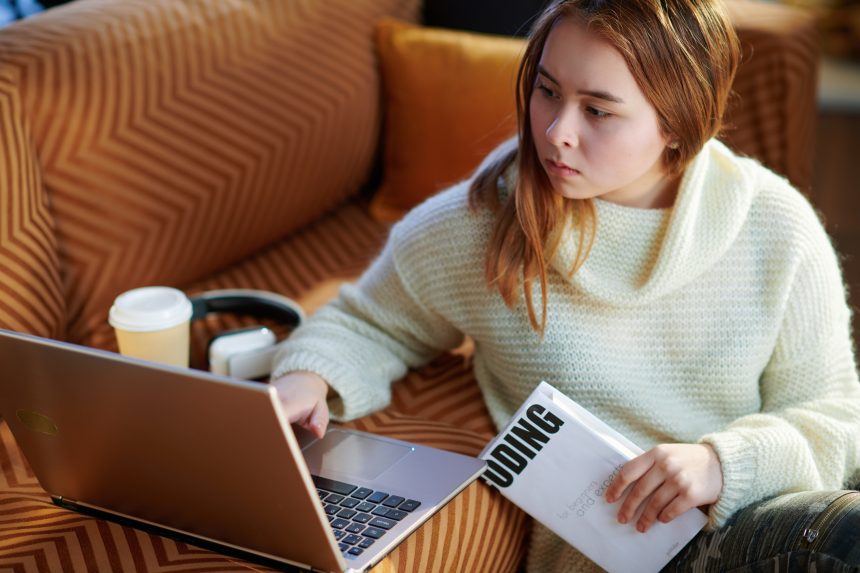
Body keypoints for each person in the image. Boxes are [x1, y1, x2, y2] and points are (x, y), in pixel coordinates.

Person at [271, 0, 860, 570]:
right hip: (635, 552)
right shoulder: (486, 222)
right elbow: (370, 321)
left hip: (771, 511)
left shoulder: (775, 226)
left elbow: (837, 418)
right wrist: (307, 377)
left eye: (597, 111)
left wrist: (722, 463)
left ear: (678, 123)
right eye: (547, 90)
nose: (556, 132)